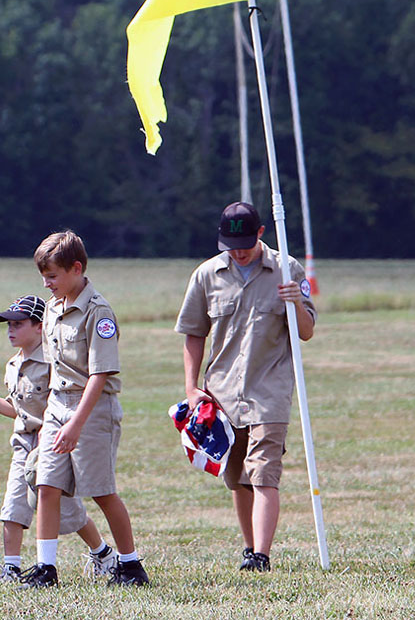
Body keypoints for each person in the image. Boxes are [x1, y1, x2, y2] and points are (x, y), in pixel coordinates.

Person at [175, 201, 316, 573]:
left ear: (261, 234)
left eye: (244, 243)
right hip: (221, 391)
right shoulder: (207, 275)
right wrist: (192, 388)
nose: (238, 252)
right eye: (230, 245)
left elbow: (306, 332)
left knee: (263, 471)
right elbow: (193, 333)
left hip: (269, 389)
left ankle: (262, 556)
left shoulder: (287, 269)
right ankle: (249, 547)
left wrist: (296, 302)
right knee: (236, 475)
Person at [0, 294, 121, 582]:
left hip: (52, 442)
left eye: (18, 324)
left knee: (68, 510)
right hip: (23, 443)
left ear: (39, 326)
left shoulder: (53, 363)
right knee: (13, 505)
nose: (10, 330)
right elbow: (17, 410)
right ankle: (11, 568)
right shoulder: (13, 365)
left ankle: (103, 554)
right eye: (8, 325)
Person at [22, 231, 150, 589]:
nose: (46, 284)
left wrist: (76, 424)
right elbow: (51, 367)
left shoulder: (98, 312)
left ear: (76, 269)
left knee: (100, 489)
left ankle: (130, 565)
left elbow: (100, 373)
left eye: (52, 276)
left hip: (92, 409)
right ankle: (46, 568)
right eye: (43, 276)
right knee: (47, 484)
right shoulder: (52, 308)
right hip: (57, 405)